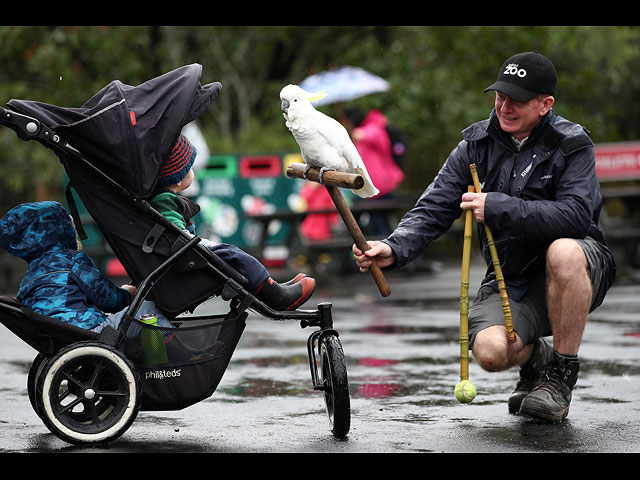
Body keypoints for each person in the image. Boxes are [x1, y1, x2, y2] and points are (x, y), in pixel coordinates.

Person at [353, 51, 616, 423]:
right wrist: (393, 247)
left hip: (581, 266)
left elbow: (575, 217)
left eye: (517, 100)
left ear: (545, 104)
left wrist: (499, 207)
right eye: (500, 96)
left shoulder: (571, 143)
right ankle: (537, 358)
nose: (504, 107)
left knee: (563, 252)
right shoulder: (474, 145)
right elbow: (435, 206)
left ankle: (560, 375)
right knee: (491, 353)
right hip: (512, 274)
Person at [150, 134, 316, 311]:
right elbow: (177, 236)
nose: (194, 172)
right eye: (190, 168)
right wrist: (205, 244)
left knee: (233, 256)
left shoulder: (164, 198)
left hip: (185, 253)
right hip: (188, 255)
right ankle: (277, 296)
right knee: (238, 258)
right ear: (178, 177)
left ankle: (271, 287)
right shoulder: (165, 201)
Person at [0, 201, 170, 334]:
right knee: (149, 310)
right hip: (86, 331)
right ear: (60, 231)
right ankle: (172, 361)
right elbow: (109, 300)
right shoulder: (73, 262)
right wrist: (127, 293)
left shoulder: (29, 278)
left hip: (58, 336)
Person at [343, 107, 405, 237]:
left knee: (377, 221)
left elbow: (367, 134)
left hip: (380, 187)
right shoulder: (371, 128)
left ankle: (387, 248)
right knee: (377, 220)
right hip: (375, 187)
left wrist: (350, 132)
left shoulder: (373, 127)